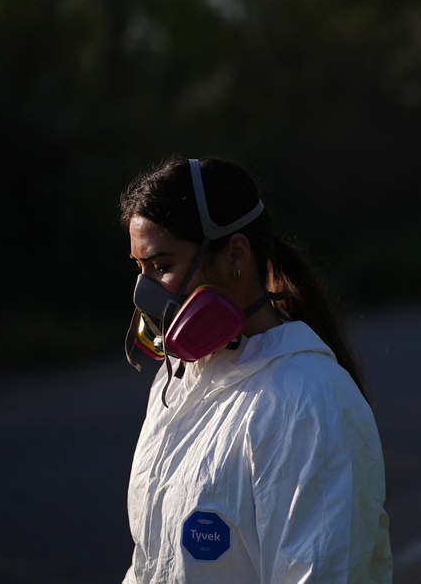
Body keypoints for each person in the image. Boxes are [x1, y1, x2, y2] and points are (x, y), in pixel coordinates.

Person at [118, 155, 393, 583]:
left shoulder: (308, 401)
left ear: (235, 254)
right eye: (141, 270)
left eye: (163, 266)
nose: (146, 294)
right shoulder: (177, 381)